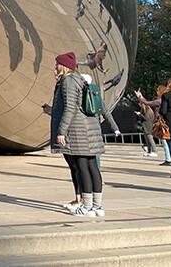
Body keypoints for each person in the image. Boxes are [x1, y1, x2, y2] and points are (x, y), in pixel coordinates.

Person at [50, 52, 106, 217]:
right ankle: (97, 206)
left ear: (64, 66)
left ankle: (87, 207)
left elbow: (69, 108)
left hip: (78, 131)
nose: (55, 67)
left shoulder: (68, 81)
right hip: (90, 128)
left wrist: (61, 131)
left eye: (57, 64)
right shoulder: (81, 80)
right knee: (92, 168)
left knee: (82, 168)